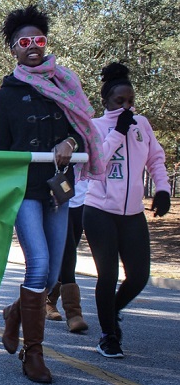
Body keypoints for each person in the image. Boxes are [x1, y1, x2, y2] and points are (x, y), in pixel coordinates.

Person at [0, 5, 105, 383]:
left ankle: (14, 313)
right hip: (25, 189)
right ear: (14, 49)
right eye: (24, 42)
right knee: (38, 264)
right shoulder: (4, 95)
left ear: (45, 43)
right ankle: (33, 353)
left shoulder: (65, 83)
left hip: (59, 187)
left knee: (54, 272)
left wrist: (71, 141)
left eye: (38, 40)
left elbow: (84, 127)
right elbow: (1, 147)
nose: (32, 46)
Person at [83, 62, 171, 359]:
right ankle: (108, 336)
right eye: (120, 102)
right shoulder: (95, 127)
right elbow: (98, 163)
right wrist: (117, 133)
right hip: (99, 211)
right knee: (106, 276)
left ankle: (112, 310)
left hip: (132, 213)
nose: (126, 107)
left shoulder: (142, 124)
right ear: (105, 101)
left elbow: (155, 159)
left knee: (139, 276)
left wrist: (162, 189)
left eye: (130, 101)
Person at [45, 169, 89, 333]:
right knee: (68, 251)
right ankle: (74, 314)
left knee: (67, 252)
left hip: (86, 197)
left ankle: (49, 300)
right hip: (59, 195)